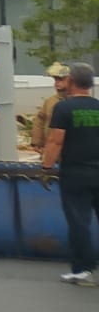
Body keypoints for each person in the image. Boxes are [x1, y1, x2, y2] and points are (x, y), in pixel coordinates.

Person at [38, 61, 99, 287]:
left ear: (71, 81)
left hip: (76, 173)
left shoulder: (63, 108)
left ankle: (83, 270)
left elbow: (55, 141)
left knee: (79, 222)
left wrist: (46, 169)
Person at [32, 63, 73, 152]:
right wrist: (37, 142)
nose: (57, 82)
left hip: (72, 150)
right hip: (51, 149)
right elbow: (40, 121)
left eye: (61, 79)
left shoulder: (76, 101)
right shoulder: (50, 101)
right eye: (55, 79)